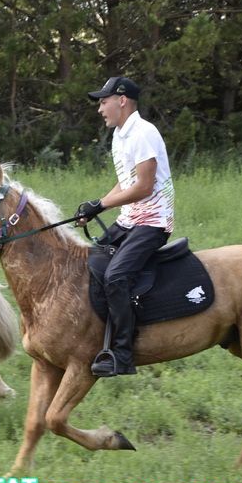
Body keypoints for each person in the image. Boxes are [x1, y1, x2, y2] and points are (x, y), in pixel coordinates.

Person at [75, 75, 174, 377]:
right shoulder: (121, 135)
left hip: (153, 222)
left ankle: (122, 354)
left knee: (116, 276)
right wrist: (97, 204)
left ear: (121, 100)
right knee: (91, 262)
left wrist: (103, 205)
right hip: (129, 218)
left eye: (103, 102)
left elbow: (144, 187)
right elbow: (126, 181)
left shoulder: (143, 132)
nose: (100, 108)